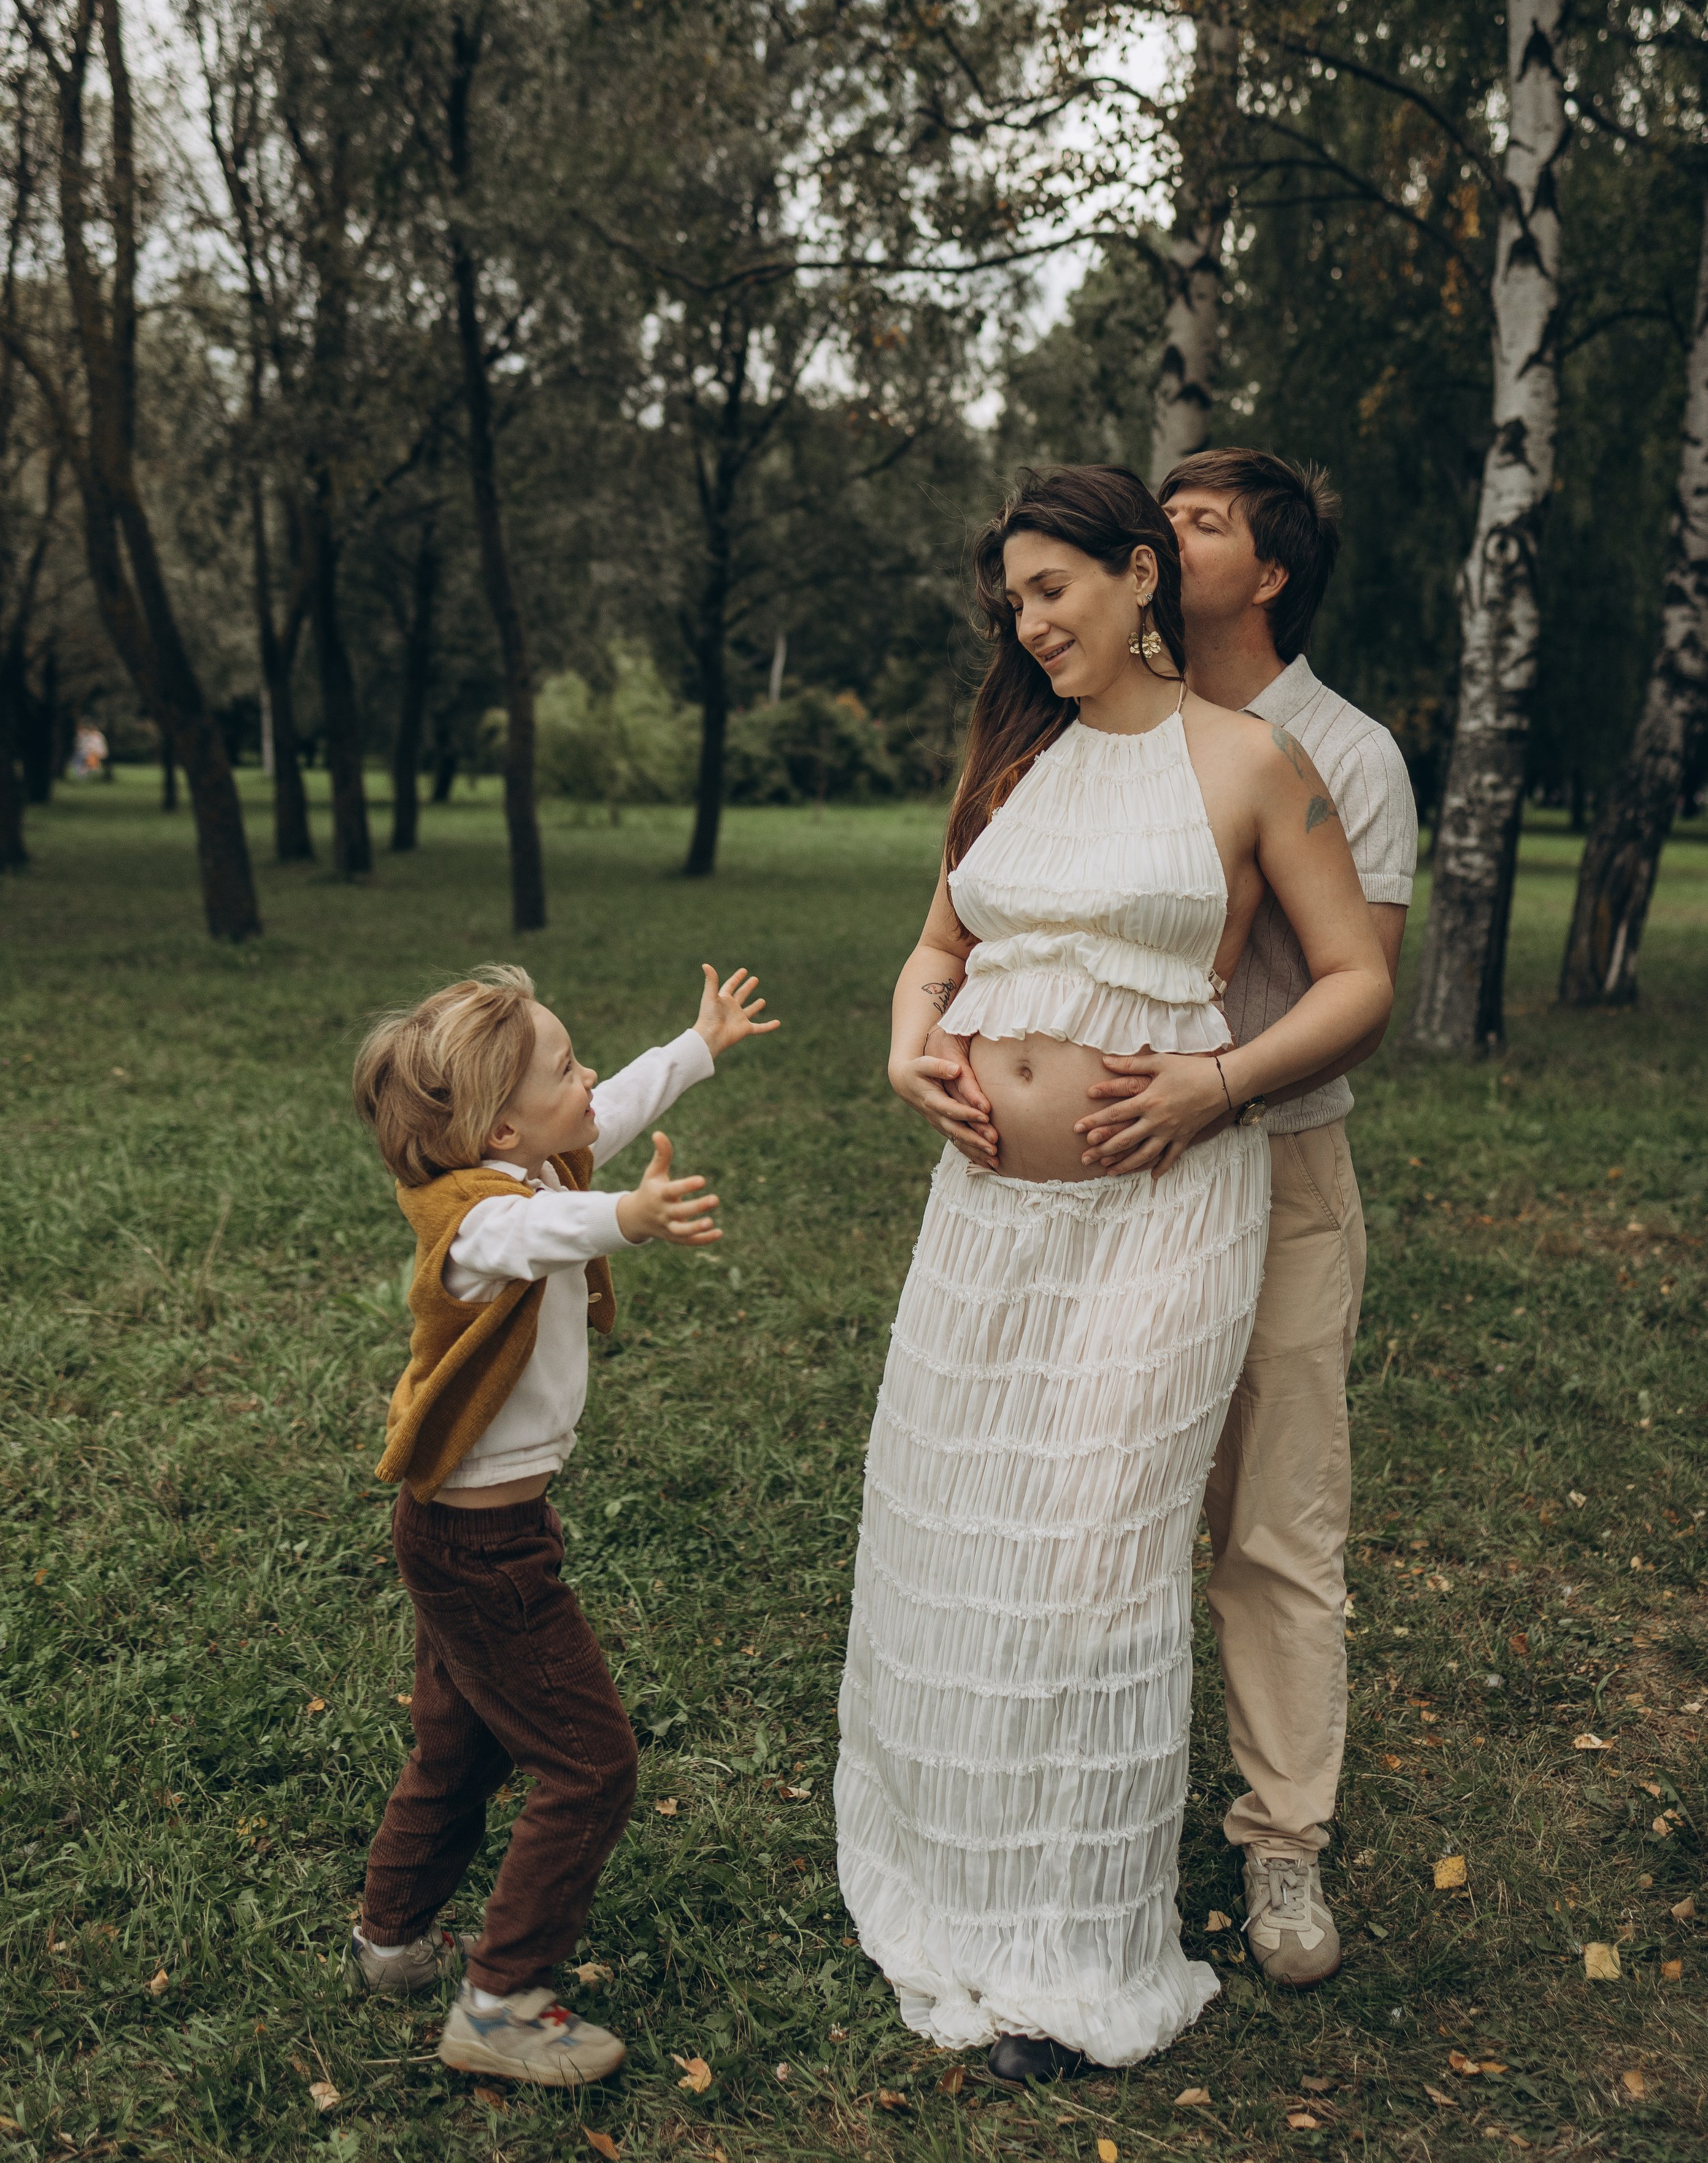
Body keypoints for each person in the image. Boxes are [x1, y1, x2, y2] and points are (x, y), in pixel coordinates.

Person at [835, 464, 1392, 2082]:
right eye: (1010, 602)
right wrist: (902, 1050)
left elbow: (1356, 978)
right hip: (986, 1228)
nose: (1028, 623)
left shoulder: (1252, 763)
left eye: (1051, 589)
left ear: (1138, 577)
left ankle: (1070, 1957)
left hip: (1166, 1215)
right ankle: (957, 1896)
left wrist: (1217, 1085)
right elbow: (936, 948)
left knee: (1088, 1567)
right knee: (957, 1552)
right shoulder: (1014, 757)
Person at [348, 958, 778, 2086]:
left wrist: (698, 1046)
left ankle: (391, 1942)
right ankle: (499, 2001)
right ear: (501, 1122)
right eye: (561, 1064)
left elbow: (614, 1104)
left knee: (461, 1742)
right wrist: (630, 1218)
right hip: (484, 1554)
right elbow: (551, 1234)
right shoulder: (482, 1222)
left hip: (459, 1536)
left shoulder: (526, 1154)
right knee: (591, 1765)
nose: (585, 1076)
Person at [1125, 447, 1415, 1990]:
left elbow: (1359, 998)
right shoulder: (1116, 717)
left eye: (1199, 523)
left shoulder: (1345, 751)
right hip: (1119, 1176)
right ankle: (1094, 1818)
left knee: (1275, 1523)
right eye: (1158, 519)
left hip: (1282, 1169)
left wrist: (1216, 1083)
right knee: (1108, 1504)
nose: (1165, 541)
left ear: (1269, 570)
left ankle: (1279, 1842)